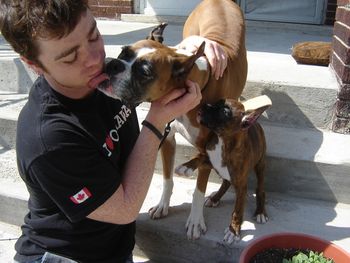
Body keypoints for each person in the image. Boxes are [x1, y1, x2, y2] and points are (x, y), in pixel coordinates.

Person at [0, 1, 227, 262]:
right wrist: (156, 122)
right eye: (70, 57)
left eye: (94, 35)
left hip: (115, 250)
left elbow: (155, 61)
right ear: (33, 64)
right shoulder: (50, 138)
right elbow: (125, 208)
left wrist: (194, 46)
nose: (95, 59)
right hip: (64, 256)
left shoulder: (103, 77)